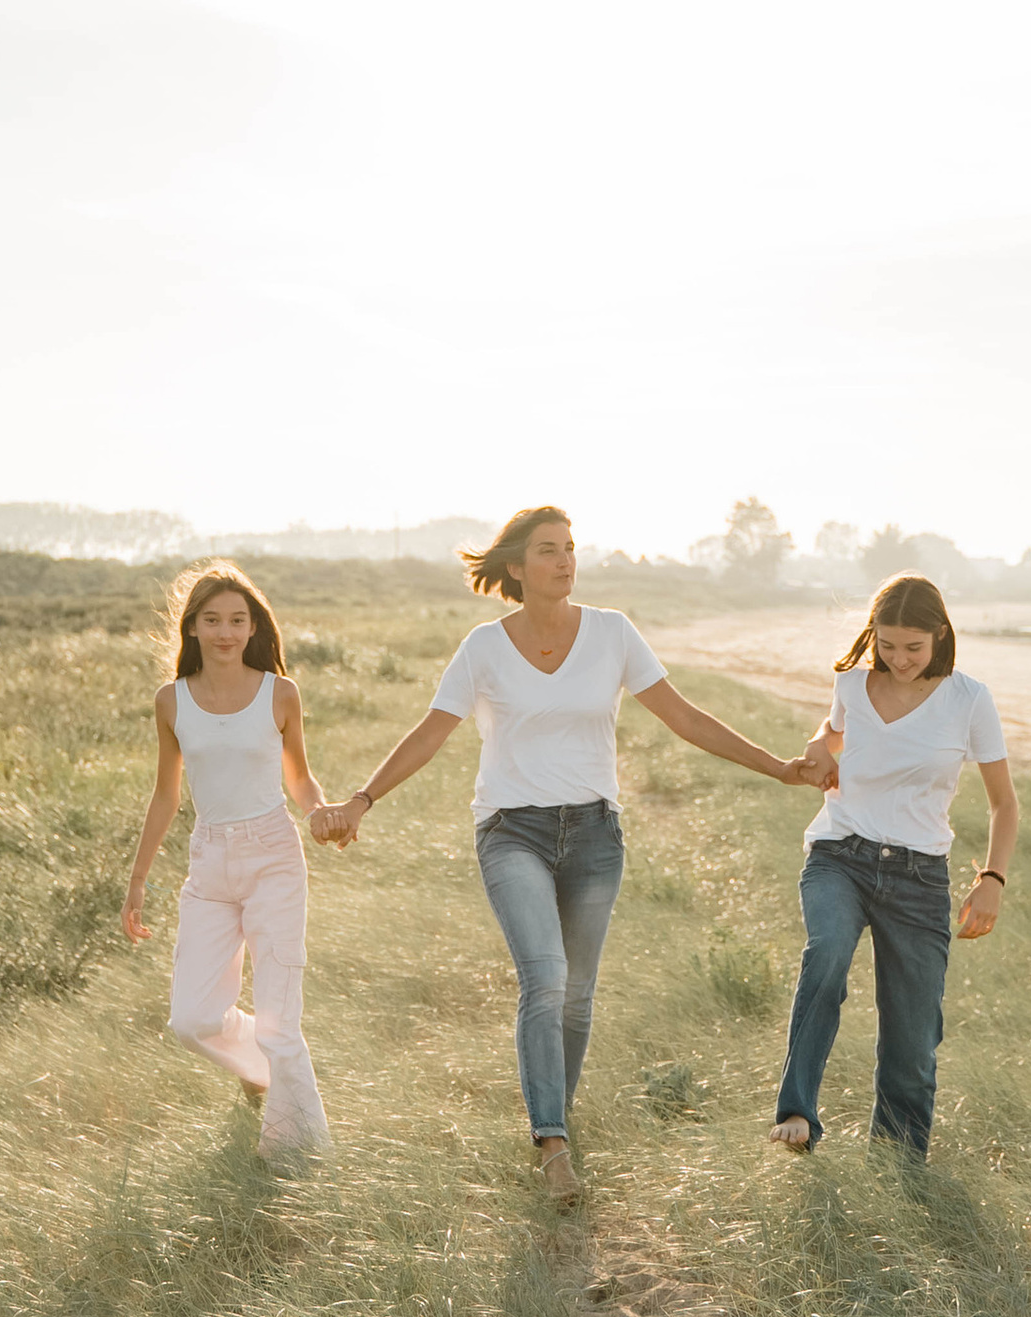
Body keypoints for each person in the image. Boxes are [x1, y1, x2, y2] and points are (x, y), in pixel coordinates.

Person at [317, 504, 812, 1200]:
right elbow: (431, 731)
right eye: (548, 550)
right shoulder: (483, 648)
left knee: (577, 1000)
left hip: (594, 835)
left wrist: (781, 767)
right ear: (516, 567)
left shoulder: (612, 633)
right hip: (511, 831)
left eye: (570, 548)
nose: (565, 560)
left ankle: (559, 1115)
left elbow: (686, 716)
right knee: (545, 978)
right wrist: (362, 800)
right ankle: (552, 1144)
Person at [772, 573, 1017, 1157]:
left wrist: (991, 879)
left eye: (913, 647)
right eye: (886, 645)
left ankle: (898, 1169)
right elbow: (832, 733)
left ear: (940, 635)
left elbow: (1004, 802)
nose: (899, 659)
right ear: (872, 636)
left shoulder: (969, 699)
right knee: (826, 953)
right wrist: (816, 748)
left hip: (919, 877)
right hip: (841, 853)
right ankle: (797, 1111)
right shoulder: (852, 685)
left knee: (912, 1039)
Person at [122, 563, 333, 1156]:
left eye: (237, 620)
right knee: (191, 1019)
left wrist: (320, 810)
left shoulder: (279, 692)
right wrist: (137, 880)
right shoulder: (171, 702)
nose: (225, 631)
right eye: (212, 620)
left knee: (281, 1026)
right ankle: (259, 1067)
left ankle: (300, 1162)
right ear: (190, 628)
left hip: (274, 859)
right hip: (209, 864)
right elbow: (165, 794)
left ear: (252, 627)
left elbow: (301, 777)